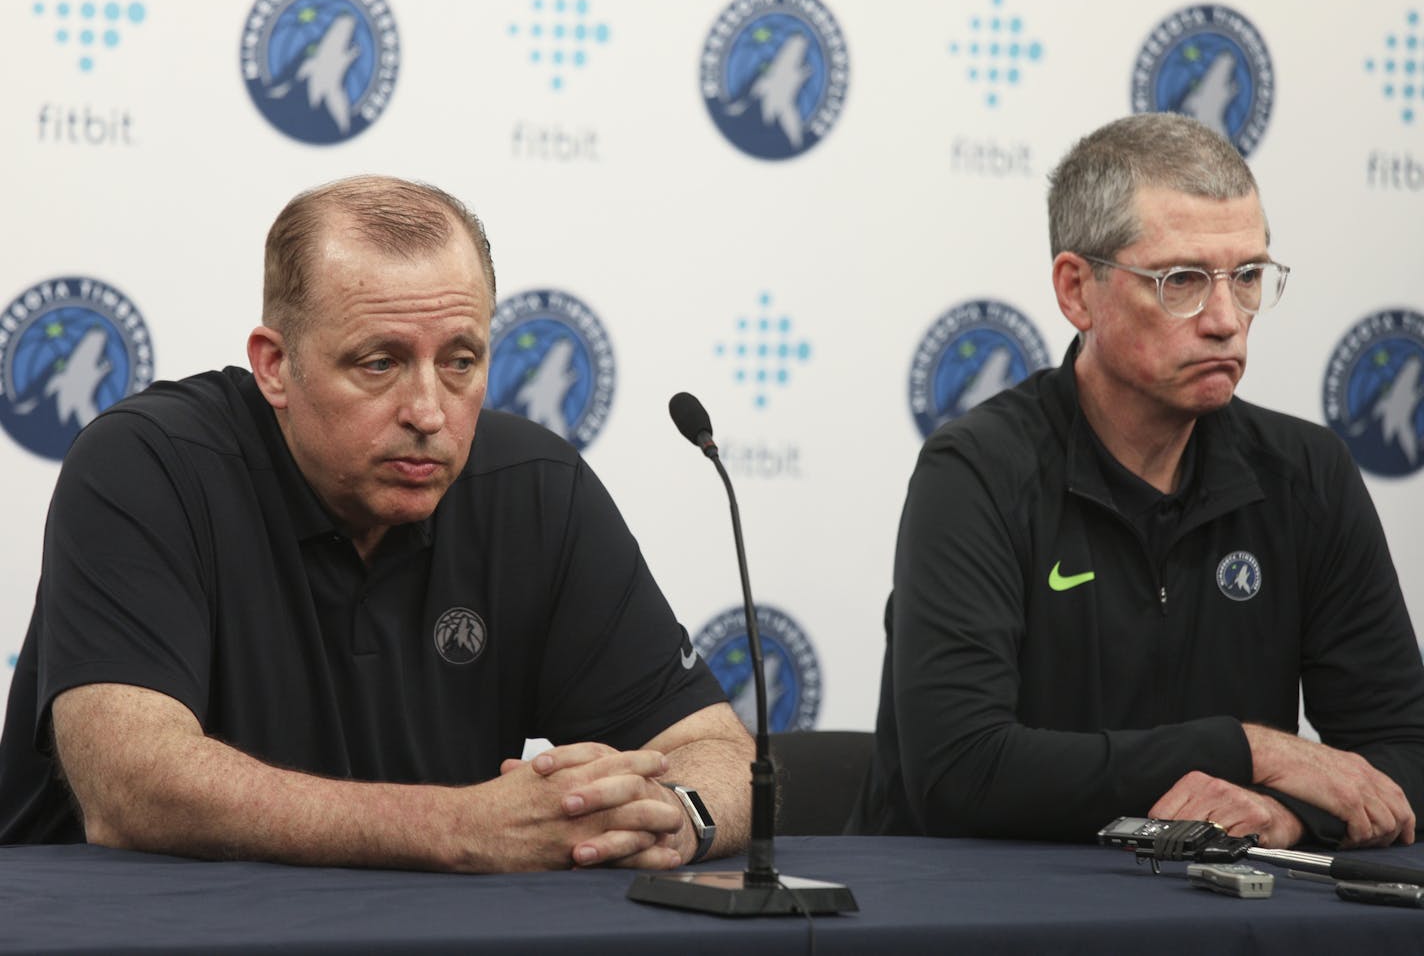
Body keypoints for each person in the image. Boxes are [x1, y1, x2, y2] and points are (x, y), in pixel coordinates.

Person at [0, 176, 753, 873]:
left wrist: (673, 816)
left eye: (460, 361)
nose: (429, 411)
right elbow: (133, 785)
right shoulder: (147, 465)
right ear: (274, 367)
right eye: (379, 363)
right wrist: (461, 828)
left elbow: (713, 747)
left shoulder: (536, 488)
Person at [849, 113, 1424, 849]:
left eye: (1247, 277)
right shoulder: (977, 471)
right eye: (1182, 280)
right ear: (1077, 291)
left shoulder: (1306, 475)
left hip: (1214, 917)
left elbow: (1403, 753)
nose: (1226, 320)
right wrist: (1252, 750)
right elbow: (963, 771)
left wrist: (1288, 814)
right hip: (983, 912)